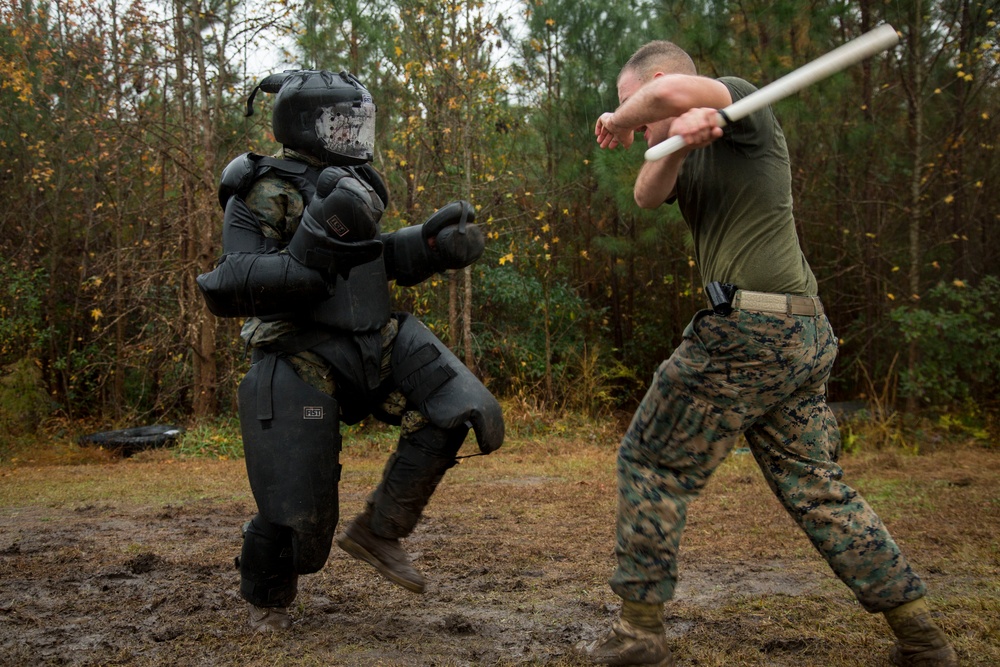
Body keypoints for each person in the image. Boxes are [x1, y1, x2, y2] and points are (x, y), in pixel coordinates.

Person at [588, 41, 958, 666]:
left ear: (657, 81)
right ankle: (921, 636)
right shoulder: (693, 139)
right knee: (817, 490)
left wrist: (624, 118)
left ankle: (639, 634)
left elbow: (674, 97)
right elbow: (648, 195)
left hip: (749, 333)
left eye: (636, 101)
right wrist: (676, 139)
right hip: (796, 335)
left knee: (651, 462)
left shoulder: (741, 100)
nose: (635, 115)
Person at [196, 69, 504, 632]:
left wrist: (431, 248)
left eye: (359, 121)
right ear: (303, 124)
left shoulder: (358, 179)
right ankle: (267, 595)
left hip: (375, 337)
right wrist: (315, 239)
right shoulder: (260, 188)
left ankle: (380, 531)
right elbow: (233, 279)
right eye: (341, 122)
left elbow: (371, 258)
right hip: (297, 352)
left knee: (463, 406)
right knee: (300, 524)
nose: (353, 133)